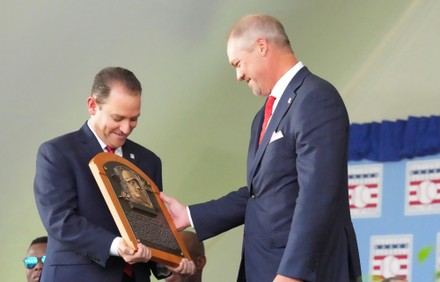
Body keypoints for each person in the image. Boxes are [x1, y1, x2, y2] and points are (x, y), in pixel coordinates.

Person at [160, 14, 362, 282]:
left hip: (301, 273)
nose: (238, 75)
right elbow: (259, 195)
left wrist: (293, 272)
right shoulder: (262, 117)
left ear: (262, 46)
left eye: (238, 63)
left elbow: (318, 193)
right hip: (264, 268)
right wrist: (188, 215)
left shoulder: (315, 98)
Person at [34, 67, 194, 282]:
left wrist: (170, 262)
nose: (126, 128)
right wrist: (117, 245)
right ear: (92, 105)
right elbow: (60, 221)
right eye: (118, 118)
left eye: (134, 119)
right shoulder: (58, 152)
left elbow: (151, 227)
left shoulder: (149, 161)